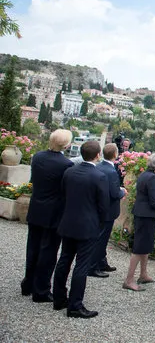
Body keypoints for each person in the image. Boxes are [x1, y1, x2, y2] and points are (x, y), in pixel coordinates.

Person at [52, 141, 109, 318]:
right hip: (88, 226)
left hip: (68, 222)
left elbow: (63, 195)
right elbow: (103, 206)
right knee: (81, 265)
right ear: (98, 155)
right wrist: (99, 222)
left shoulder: (69, 172)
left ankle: (59, 297)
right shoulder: (99, 177)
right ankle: (75, 305)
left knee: (64, 259)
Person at [21, 129, 74, 302]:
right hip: (54, 213)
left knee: (33, 248)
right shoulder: (66, 165)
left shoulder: (37, 157)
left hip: (36, 208)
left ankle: (28, 283)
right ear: (66, 145)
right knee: (48, 252)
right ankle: (41, 289)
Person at [123, 152, 155, 291]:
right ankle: (129, 280)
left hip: (140, 213)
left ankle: (143, 274)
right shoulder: (153, 178)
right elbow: (153, 201)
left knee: (145, 246)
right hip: (147, 215)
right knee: (140, 247)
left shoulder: (144, 175)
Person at [90, 143, 128, 278]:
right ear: (115, 155)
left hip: (98, 208)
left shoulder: (98, 166)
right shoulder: (111, 171)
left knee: (100, 238)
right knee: (102, 239)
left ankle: (102, 262)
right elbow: (114, 193)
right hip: (108, 210)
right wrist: (122, 192)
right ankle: (94, 266)